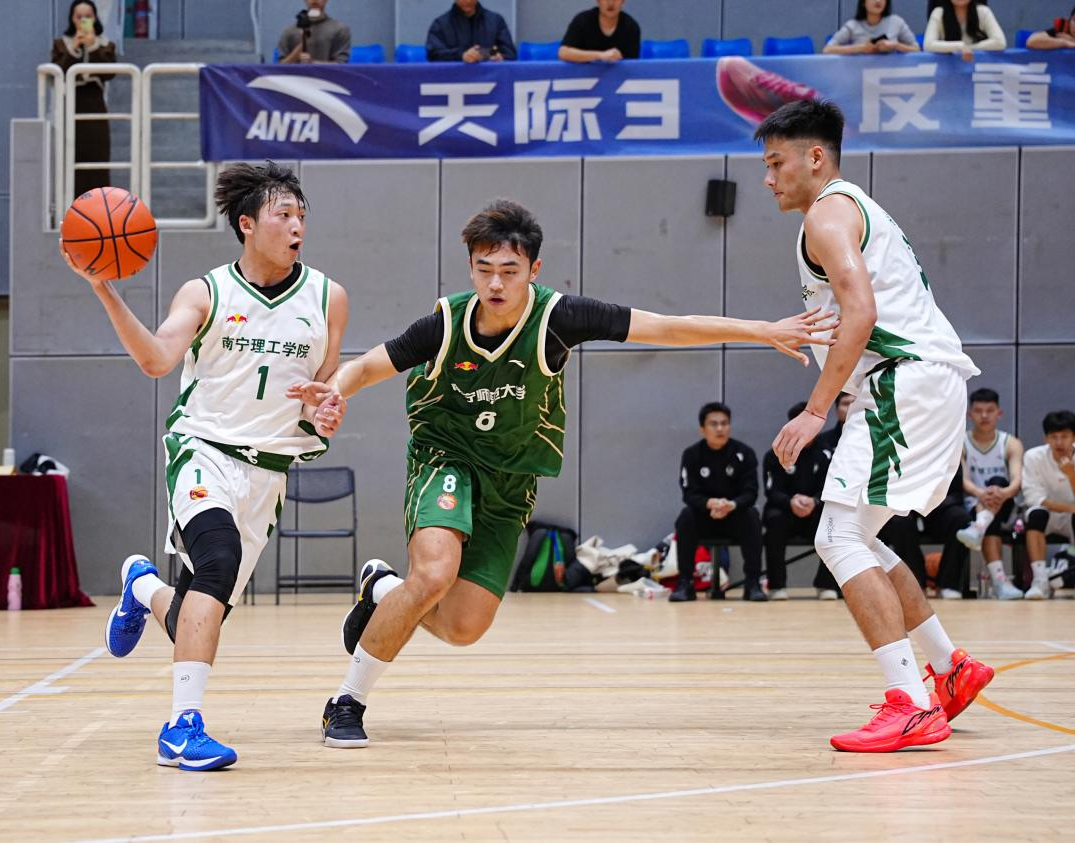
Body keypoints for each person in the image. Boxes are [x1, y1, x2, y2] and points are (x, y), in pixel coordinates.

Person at [290, 198, 833, 748]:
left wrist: (760, 329)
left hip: (511, 479)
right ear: (470, 267)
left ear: (534, 269)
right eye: (483, 269)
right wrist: (334, 393)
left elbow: (667, 327)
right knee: (433, 576)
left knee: (462, 627)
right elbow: (367, 365)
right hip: (445, 458)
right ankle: (347, 701)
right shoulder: (445, 323)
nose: (495, 283)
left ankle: (383, 588)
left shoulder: (559, 318)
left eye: (509, 270)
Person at [65, 162, 348, 771]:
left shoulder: (329, 297)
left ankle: (142, 587)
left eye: (302, 215)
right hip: (205, 451)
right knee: (217, 562)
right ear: (247, 224)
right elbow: (156, 360)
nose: (297, 226)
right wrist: (104, 289)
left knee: (198, 614)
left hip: (268, 471)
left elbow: (323, 390)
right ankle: (181, 727)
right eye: (283, 214)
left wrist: (326, 407)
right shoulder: (205, 292)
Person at [760, 99, 993, 752]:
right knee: (858, 535)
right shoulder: (853, 207)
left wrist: (814, 410)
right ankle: (948, 667)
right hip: (917, 381)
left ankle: (910, 703)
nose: (767, 178)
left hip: (902, 381)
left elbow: (860, 312)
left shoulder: (827, 213)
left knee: (836, 535)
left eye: (776, 163)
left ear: (815, 157)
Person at [672, 402, 767, 602]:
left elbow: (750, 492)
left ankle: (752, 583)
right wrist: (710, 503)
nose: (720, 428)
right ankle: (685, 583)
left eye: (724, 423)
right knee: (686, 517)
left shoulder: (744, 453)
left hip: (734, 516)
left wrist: (731, 505)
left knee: (752, 516)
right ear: (702, 429)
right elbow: (689, 493)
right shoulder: (692, 455)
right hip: (705, 517)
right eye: (714, 424)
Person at [763, 401, 838, 600]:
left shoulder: (826, 455)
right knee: (774, 519)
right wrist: (790, 502)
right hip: (786, 512)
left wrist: (814, 501)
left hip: (815, 512)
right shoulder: (775, 454)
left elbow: (831, 488)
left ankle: (825, 584)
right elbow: (772, 491)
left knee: (833, 521)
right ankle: (777, 586)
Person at [955, 387, 1025, 599]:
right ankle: (1001, 583)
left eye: (989, 410)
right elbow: (964, 480)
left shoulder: (1010, 443)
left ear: (999, 413)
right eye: (978, 411)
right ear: (970, 414)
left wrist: (1001, 493)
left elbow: (1017, 481)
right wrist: (981, 494)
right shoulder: (961, 442)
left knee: (998, 482)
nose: (984, 416)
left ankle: (978, 527)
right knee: (990, 521)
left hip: (1005, 502)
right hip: (972, 503)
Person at [51, 1, 117, 197]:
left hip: (95, 104)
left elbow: (110, 72)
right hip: (71, 103)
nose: (83, 21)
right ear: (72, 19)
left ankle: (99, 205)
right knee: (71, 156)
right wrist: (74, 49)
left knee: (98, 157)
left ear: (95, 18)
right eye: (78, 17)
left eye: (88, 16)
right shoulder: (61, 44)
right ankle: (72, 204)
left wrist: (93, 46)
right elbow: (59, 72)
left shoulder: (106, 45)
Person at [875, 467, 973, 599]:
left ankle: (948, 584)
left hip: (939, 503)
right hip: (903, 500)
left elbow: (954, 482)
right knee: (899, 521)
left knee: (960, 520)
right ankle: (916, 582)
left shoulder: (945, 452)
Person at [1020, 409, 1075, 600]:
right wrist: (1070, 508)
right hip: (1048, 514)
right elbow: (1034, 498)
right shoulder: (1033, 457)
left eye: (1064, 436)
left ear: (1073, 437)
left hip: (1071, 518)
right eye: (1053, 437)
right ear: (1046, 439)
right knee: (1036, 514)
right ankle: (1040, 579)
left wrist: (1071, 475)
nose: (1059, 442)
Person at [807, 393, 856, 599]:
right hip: (831, 499)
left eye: (855, 402)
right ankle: (825, 582)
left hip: (864, 498)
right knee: (830, 527)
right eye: (845, 403)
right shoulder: (822, 442)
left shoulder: (876, 437)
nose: (851, 407)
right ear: (836, 410)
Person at [426, 0, 516, 62]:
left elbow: (510, 54)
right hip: (454, 80)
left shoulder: (496, 21)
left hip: (489, 78)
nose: (468, 1)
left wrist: (495, 56)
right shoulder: (440, 25)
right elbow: (434, 54)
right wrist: (462, 56)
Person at [558, 0, 641, 64]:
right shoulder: (582, 20)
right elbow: (563, 53)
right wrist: (600, 55)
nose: (610, 3)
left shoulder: (631, 27)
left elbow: (632, 65)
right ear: (598, 1)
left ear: (623, 1)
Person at [824, 0, 920, 55]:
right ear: (863, 2)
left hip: (891, 74)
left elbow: (916, 49)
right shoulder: (852, 25)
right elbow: (827, 50)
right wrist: (861, 48)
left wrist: (896, 45)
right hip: (859, 74)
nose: (878, 1)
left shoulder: (896, 22)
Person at [925, 0, 1006, 61]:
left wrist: (969, 48)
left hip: (978, 67)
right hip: (949, 70)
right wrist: (959, 46)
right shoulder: (938, 13)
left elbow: (1000, 42)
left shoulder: (983, 12)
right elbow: (928, 45)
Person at [277, 0, 352, 64]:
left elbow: (341, 65)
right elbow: (280, 68)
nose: (314, 0)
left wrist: (312, 63)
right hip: (296, 77)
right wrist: (298, 51)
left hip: (326, 77)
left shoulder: (340, 30)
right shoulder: (289, 32)